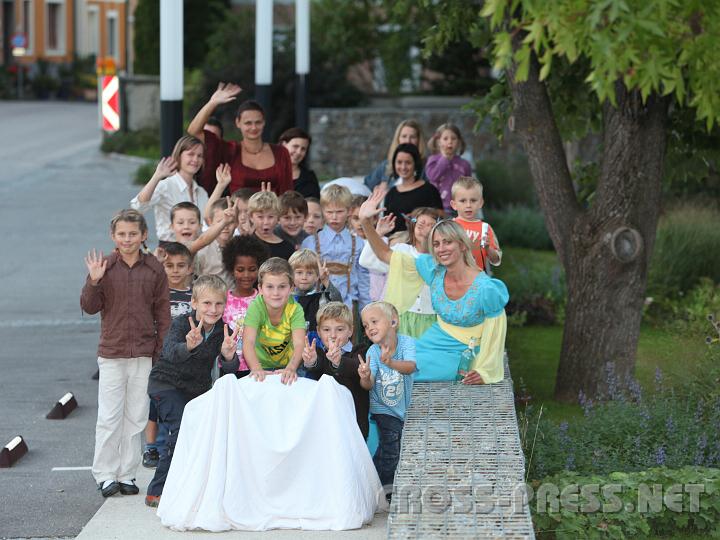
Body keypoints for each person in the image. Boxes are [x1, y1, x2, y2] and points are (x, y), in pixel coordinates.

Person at [359, 187, 509, 384]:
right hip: (434, 338)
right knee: (385, 361)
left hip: (464, 350)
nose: (441, 249)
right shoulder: (434, 271)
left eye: (447, 242)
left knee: (402, 371)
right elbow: (386, 255)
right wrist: (365, 223)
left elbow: (496, 331)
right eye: (436, 244)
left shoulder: (487, 288)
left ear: (463, 245)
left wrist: (484, 369)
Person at [80, 209, 170, 498]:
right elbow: (89, 306)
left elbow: (163, 315)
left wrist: (160, 353)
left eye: (133, 233)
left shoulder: (155, 268)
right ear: (113, 236)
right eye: (122, 234)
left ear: (144, 235)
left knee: (136, 416)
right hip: (112, 353)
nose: (127, 239)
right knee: (109, 416)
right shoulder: (104, 265)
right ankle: (105, 474)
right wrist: (94, 280)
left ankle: (127, 474)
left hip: (144, 354)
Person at [144, 275, 241, 507]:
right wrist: (188, 345)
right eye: (207, 303)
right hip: (165, 385)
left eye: (219, 303)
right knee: (179, 431)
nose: (213, 309)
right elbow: (169, 353)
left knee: (201, 435)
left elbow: (230, 369)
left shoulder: (223, 330)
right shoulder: (181, 324)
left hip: (195, 390)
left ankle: (191, 485)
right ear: (194, 303)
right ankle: (156, 491)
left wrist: (228, 356)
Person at [187, 82, 292, 195]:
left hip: (273, 212)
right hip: (238, 211)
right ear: (238, 123)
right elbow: (194, 130)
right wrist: (212, 103)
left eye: (258, 122)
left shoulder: (281, 153)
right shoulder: (229, 150)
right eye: (248, 123)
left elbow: (288, 194)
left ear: (264, 122)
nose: (253, 127)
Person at [143, 241, 194, 469]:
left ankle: (180, 444)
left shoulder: (194, 296)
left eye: (180, 265)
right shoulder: (157, 294)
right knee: (154, 405)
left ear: (190, 268)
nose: (175, 270)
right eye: (169, 265)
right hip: (160, 358)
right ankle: (151, 447)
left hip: (186, 358)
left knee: (180, 403)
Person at [359, 206, 442, 338]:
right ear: (413, 227)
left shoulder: (442, 257)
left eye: (431, 225)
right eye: (420, 225)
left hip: (431, 319)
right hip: (400, 318)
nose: (424, 229)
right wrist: (378, 233)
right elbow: (366, 261)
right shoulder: (401, 250)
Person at [358, 301, 416, 488]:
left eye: (374, 321)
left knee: (390, 448)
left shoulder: (407, 342)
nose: (370, 328)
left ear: (393, 321)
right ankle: (384, 488)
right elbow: (368, 385)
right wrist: (365, 376)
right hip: (382, 409)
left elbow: (410, 367)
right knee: (391, 448)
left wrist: (390, 362)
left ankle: (369, 478)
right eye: (366, 326)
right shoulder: (372, 352)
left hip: (402, 408)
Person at [302, 302, 370, 438]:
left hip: (355, 425)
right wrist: (311, 361)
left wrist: (338, 362)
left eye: (339, 329)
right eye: (326, 330)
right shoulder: (319, 353)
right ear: (319, 332)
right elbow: (318, 364)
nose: (332, 335)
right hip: (326, 426)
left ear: (350, 330)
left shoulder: (361, 351)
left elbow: (356, 367)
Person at [300, 185, 371, 313]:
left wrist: (365, 310)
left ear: (349, 211)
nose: (334, 217)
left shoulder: (359, 244)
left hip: (349, 308)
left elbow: (363, 280)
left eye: (339, 212)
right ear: (322, 211)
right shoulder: (310, 243)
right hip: (317, 307)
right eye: (329, 212)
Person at [130, 136, 210, 241]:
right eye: (191, 154)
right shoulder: (166, 185)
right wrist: (157, 176)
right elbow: (137, 208)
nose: (195, 159)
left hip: (196, 252)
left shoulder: (202, 192)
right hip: (170, 251)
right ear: (179, 156)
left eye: (200, 156)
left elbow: (207, 225)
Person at [242, 258, 307, 384]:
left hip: (288, 365)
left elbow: (299, 343)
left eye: (282, 286)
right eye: (270, 287)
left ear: (292, 288)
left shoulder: (295, 309)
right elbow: (248, 342)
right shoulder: (256, 307)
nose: (276, 293)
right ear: (260, 288)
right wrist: (256, 368)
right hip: (261, 365)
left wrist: (291, 368)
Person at [221, 234, 270, 378]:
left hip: (261, 367)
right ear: (231, 269)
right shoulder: (223, 300)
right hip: (230, 367)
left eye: (252, 269)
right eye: (240, 269)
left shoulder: (264, 298)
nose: (246, 275)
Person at [382, 143, 444, 234]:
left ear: (415, 164)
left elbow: (442, 217)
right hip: (396, 245)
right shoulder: (391, 194)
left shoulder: (429, 190)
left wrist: (419, 217)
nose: (403, 167)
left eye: (408, 163)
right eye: (399, 162)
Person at [289, 249, 342, 344]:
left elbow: (338, 303)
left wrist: (325, 280)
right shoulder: (287, 298)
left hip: (317, 346)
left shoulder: (321, 298)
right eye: (299, 272)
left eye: (309, 273)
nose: (304, 277)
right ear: (291, 274)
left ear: (317, 276)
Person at [451, 176, 502, 272]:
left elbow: (496, 260)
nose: (468, 205)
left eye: (473, 200)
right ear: (454, 205)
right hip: (454, 280)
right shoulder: (449, 227)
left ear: (481, 203)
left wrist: (488, 248)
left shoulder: (485, 228)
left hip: (478, 280)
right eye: (463, 201)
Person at [364, 119, 427, 191]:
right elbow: (365, 187)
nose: (408, 141)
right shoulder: (386, 165)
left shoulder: (427, 166)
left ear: (419, 140)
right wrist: (377, 190)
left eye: (412, 137)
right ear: (398, 139)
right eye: (404, 136)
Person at [425, 123, 473, 214]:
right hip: (437, 207)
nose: (450, 141)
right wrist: (445, 158)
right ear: (439, 141)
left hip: (458, 208)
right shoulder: (433, 160)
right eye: (445, 138)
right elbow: (433, 176)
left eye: (453, 138)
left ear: (459, 142)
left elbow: (469, 187)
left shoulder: (464, 164)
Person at [193, 198, 238, 286]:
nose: (225, 226)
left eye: (230, 222)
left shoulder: (240, 246)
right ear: (210, 222)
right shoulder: (202, 249)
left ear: (237, 223)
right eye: (220, 222)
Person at [248, 190, 296, 260]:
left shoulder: (288, 248)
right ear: (251, 217)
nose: (266, 222)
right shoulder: (245, 244)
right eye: (260, 217)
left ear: (278, 217)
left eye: (270, 217)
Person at [278, 127, 321, 198]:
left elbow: (314, 204)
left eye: (303, 149)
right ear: (284, 145)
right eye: (295, 146)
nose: (298, 152)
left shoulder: (309, 178)